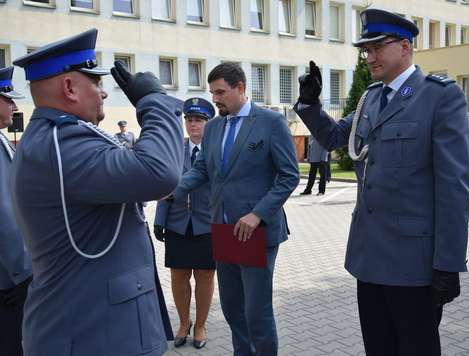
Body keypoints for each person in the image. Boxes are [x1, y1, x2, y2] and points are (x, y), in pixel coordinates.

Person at [294, 9, 469, 355]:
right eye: (365, 49)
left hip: (413, 263)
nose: (369, 56)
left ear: (405, 47)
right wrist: (310, 103)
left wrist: (449, 263)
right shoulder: (371, 98)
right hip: (369, 256)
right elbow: (333, 139)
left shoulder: (439, 96)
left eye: (377, 47)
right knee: (378, 348)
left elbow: (454, 188)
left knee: (416, 348)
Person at [10, 28, 184, 355]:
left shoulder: (57, 138)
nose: (104, 93)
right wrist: (155, 102)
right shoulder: (63, 144)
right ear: (69, 87)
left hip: (100, 325)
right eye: (97, 82)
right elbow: (160, 173)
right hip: (95, 333)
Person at [171, 62, 300, 355]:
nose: (215, 99)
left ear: (240, 88)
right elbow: (201, 170)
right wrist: (171, 191)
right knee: (232, 310)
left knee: (257, 312)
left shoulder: (271, 122)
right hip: (223, 230)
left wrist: (258, 214)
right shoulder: (214, 126)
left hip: (256, 231)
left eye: (220, 92)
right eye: (212, 92)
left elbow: (289, 175)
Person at [153, 97, 216, 350]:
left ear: (208, 124)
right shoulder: (174, 150)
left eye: (198, 120)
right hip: (178, 223)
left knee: (205, 277)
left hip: (207, 224)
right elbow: (164, 186)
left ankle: (200, 325)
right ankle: (183, 322)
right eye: (189, 120)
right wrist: (159, 221)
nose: (193, 124)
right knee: (179, 276)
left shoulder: (216, 151)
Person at [0, 66, 33, 356]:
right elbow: (4, 214)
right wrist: (24, 273)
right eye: (8, 99)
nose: (15, 106)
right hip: (8, 280)